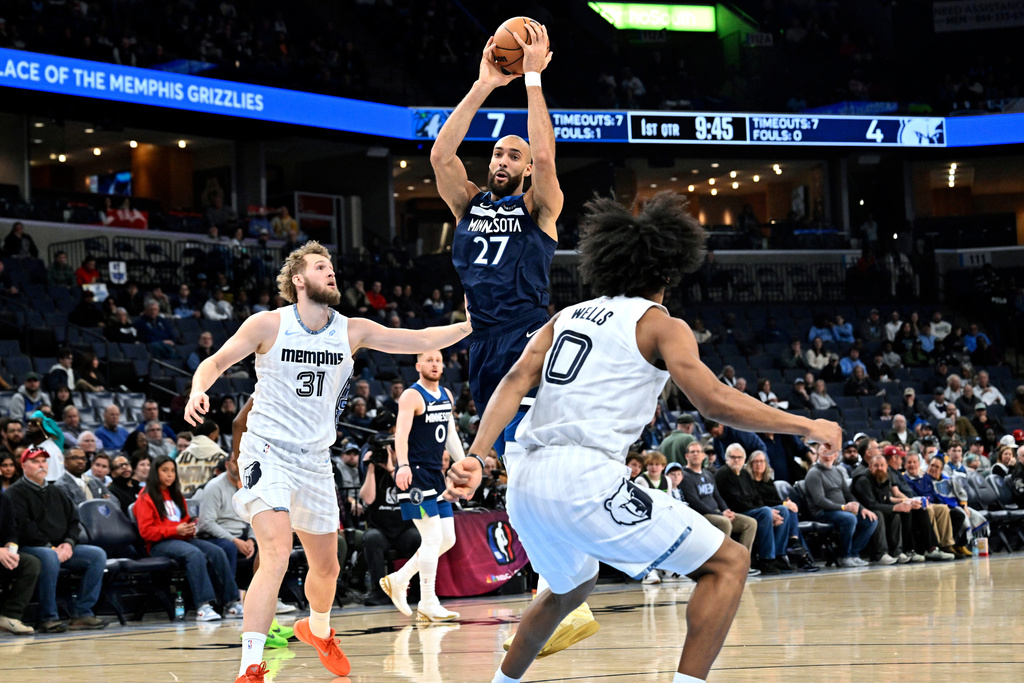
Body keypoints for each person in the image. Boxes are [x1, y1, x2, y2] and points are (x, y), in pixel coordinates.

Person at [444, 191, 841, 683]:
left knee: (569, 590)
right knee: (728, 563)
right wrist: (808, 425)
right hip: (585, 475)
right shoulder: (660, 324)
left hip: (526, 482)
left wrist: (479, 457)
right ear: (669, 271)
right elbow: (714, 401)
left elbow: (513, 382)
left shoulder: (565, 316)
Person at [183, 241, 472, 683]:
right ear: (298, 280)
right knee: (276, 551)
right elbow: (217, 360)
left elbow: (420, 340)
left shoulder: (351, 330)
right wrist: (198, 389)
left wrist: (469, 325)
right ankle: (250, 667)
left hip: (315, 458)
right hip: (267, 450)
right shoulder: (268, 324)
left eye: (332, 266)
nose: (331, 272)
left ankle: (317, 630)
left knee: (328, 567)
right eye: (321, 267)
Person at [431, 24, 600, 660]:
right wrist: (483, 84)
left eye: (513, 156)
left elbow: (550, 160)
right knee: (519, 476)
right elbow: (442, 157)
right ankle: (566, 589)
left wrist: (532, 79)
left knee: (538, 465)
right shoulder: (468, 204)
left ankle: (568, 589)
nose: (502, 160)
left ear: (527, 170)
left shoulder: (539, 210)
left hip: (531, 341)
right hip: (483, 346)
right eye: (498, 154)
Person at [380, 351, 465, 622]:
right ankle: (427, 601)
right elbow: (401, 434)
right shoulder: (411, 396)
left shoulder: (447, 395)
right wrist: (402, 465)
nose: (435, 364)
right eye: (428, 359)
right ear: (418, 366)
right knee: (431, 539)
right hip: (415, 474)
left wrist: (465, 465)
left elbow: (450, 433)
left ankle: (400, 578)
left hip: (435, 474)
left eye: (438, 359)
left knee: (447, 538)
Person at [6, 447, 109, 632]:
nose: (41, 465)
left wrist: (68, 544)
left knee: (97, 555)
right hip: (31, 547)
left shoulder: (57, 491)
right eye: (35, 461)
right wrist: (51, 547)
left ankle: (83, 613)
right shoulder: (15, 493)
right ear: (23, 466)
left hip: (61, 547)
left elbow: (74, 521)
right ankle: (48, 617)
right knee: (48, 557)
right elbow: (23, 527)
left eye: (43, 461)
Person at [136, 455, 242, 620]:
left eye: (172, 471)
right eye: (165, 470)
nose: (170, 475)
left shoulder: (175, 494)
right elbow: (146, 531)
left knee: (217, 551)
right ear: (155, 473)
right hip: (159, 544)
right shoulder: (145, 497)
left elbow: (183, 520)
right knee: (195, 554)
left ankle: (231, 603)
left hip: (181, 539)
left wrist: (190, 527)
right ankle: (203, 606)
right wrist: (175, 530)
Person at [803, 444, 879, 567]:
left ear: (835, 455)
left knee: (871, 519)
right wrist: (843, 508)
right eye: (823, 452)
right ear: (818, 454)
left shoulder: (837, 471)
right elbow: (819, 501)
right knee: (849, 518)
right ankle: (844, 555)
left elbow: (848, 494)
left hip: (841, 511)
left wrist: (862, 509)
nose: (827, 456)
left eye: (830, 452)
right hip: (822, 512)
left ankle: (853, 553)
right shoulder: (814, 473)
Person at [0, 487, 42, 635]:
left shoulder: (3, 499)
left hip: (2, 553)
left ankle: (10, 616)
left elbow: (11, 530)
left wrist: (11, 547)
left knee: (30, 563)